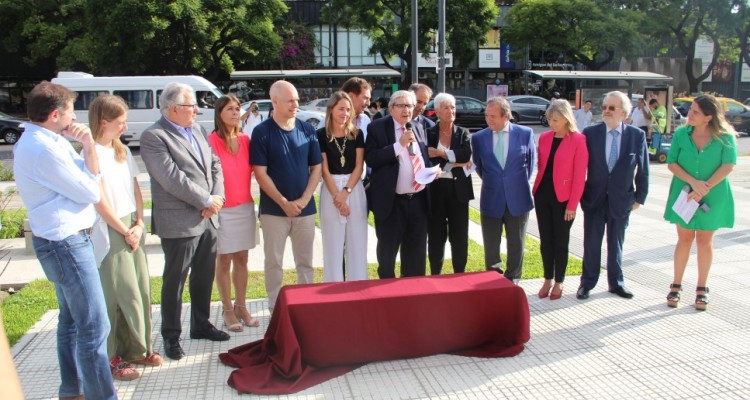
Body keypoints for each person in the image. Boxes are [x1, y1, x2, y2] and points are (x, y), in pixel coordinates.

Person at [13, 81, 117, 399]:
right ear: (56, 114)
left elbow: (85, 180)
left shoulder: (48, 140)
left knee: (72, 321)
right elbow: (89, 190)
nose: (76, 119)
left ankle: (72, 390)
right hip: (66, 243)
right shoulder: (42, 147)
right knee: (94, 327)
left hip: (65, 241)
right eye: (71, 111)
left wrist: (86, 154)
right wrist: (87, 152)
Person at [140, 82, 228, 361]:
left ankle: (201, 324)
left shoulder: (198, 130)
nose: (198, 110)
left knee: (204, 277)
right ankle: (171, 335)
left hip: (208, 218)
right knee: (175, 280)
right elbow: (171, 179)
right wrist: (205, 200)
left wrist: (216, 197)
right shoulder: (154, 136)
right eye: (192, 106)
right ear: (174, 108)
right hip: (180, 222)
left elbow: (215, 164)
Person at [88, 94, 161, 381]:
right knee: (117, 294)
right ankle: (112, 357)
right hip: (109, 229)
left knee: (140, 290)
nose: (125, 126)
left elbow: (135, 190)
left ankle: (137, 349)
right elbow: (99, 200)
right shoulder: (90, 151)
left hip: (132, 226)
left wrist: (140, 224)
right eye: (120, 122)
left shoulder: (122, 151)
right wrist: (123, 230)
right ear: (103, 122)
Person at [250, 80, 322, 309]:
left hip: (305, 210)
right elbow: (260, 173)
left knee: (306, 264)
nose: (295, 104)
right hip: (273, 212)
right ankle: (275, 308)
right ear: (275, 102)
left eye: (297, 100)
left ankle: (306, 306)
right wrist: (283, 203)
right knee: (274, 263)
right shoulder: (262, 132)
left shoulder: (307, 129)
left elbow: (316, 168)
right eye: (290, 100)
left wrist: (302, 200)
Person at [663, 95, 736, 311]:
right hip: (685, 192)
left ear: (709, 117)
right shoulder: (681, 134)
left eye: (695, 112)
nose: (689, 115)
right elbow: (672, 162)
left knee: (705, 240)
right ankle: (676, 286)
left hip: (712, 194)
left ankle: (702, 289)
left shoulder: (725, 137)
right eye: (691, 110)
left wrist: (705, 187)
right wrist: (694, 183)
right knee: (684, 238)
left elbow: (728, 165)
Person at [577, 91, 649, 300]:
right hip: (594, 198)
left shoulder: (636, 136)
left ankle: (616, 283)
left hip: (621, 200)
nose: (606, 111)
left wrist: (639, 198)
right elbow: (580, 166)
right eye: (605, 107)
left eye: (611, 108)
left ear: (624, 112)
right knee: (591, 242)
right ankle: (587, 283)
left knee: (616, 242)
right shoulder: (590, 133)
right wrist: (580, 194)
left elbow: (643, 169)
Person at [365, 90, 432, 278]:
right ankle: (387, 294)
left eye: (410, 106)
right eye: (401, 105)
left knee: (416, 255)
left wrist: (429, 173)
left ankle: (412, 293)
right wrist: (398, 145)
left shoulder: (417, 127)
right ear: (391, 108)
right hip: (391, 202)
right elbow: (371, 159)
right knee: (387, 255)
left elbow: (422, 158)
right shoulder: (377, 128)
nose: (406, 110)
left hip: (418, 201)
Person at [207, 95, 259, 331]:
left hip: (244, 206)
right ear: (219, 113)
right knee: (224, 259)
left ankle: (241, 306)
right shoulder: (210, 141)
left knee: (242, 259)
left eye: (238, 108)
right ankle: (227, 310)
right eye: (230, 109)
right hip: (222, 210)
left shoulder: (247, 140)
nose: (236, 112)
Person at [471, 96, 536, 283]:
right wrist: (497, 182)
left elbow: (529, 164)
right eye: (486, 116)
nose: (488, 120)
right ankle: (492, 276)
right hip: (492, 197)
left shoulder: (525, 133)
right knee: (491, 242)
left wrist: (513, 182)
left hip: (518, 197)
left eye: (493, 116)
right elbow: (480, 167)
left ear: (506, 116)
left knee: (516, 242)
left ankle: (513, 276)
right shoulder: (479, 138)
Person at [532, 99, 589, 300]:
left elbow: (580, 176)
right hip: (542, 194)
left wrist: (572, 205)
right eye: (549, 119)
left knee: (560, 241)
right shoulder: (545, 138)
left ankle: (559, 281)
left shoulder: (578, 140)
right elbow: (541, 165)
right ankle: (547, 278)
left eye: (555, 119)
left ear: (566, 119)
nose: (551, 123)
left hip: (563, 198)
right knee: (545, 240)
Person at [317, 91, 368, 282]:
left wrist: (345, 193)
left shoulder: (357, 134)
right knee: (332, 245)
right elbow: (323, 169)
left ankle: (358, 286)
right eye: (341, 109)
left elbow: (359, 166)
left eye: (348, 110)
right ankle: (333, 288)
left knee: (357, 243)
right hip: (330, 189)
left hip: (353, 188)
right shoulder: (321, 135)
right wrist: (337, 197)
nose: (345, 113)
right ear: (331, 110)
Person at [426, 93, 473, 274]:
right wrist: (455, 163)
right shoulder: (429, 133)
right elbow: (426, 159)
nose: (450, 111)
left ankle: (459, 273)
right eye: (446, 108)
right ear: (437, 111)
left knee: (459, 235)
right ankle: (435, 273)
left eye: (453, 107)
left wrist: (440, 153)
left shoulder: (463, 133)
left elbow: (465, 155)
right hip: (436, 190)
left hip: (458, 191)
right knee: (436, 235)